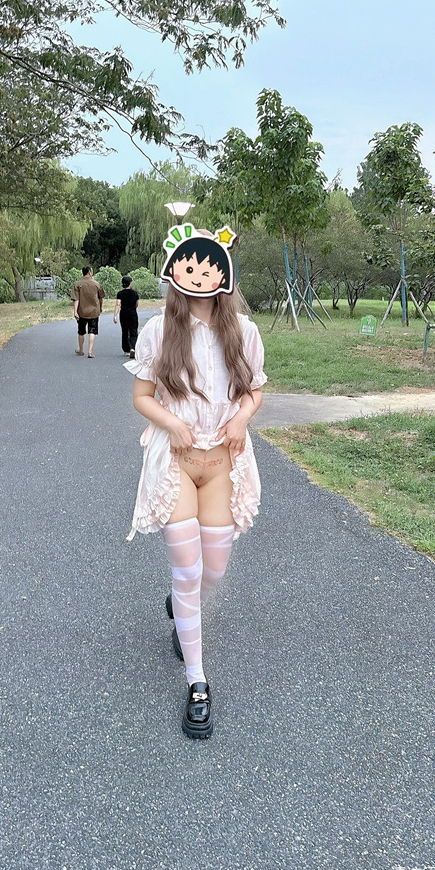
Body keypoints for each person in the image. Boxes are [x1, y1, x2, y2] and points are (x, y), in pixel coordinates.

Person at [124, 225, 267, 740]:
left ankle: (179, 603)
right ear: (175, 270)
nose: (199, 274)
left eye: (209, 265)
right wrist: (174, 423)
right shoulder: (158, 330)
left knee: (214, 569)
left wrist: (242, 418)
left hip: (224, 461)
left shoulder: (244, 331)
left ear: (223, 271)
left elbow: (254, 391)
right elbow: (142, 397)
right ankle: (197, 681)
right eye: (190, 265)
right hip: (177, 461)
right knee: (188, 571)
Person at [70, 265, 105, 358]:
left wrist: (75, 312)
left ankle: (81, 350)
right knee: (92, 331)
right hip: (94, 312)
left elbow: (76, 299)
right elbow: (101, 298)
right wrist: (100, 308)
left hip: (82, 312)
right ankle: (90, 351)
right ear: (90, 272)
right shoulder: (96, 284)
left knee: (81, 331)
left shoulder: (77, 284)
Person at [114, 275, 140, 358]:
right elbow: (137, 304)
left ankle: (126, 349)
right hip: (132, 313)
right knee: (133, 331)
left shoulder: (120, 294)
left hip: (123, 314)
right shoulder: (135, 293)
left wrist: (115, 315)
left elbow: (118, 304)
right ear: (130, 283)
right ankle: (133, 347)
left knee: (125, 331)